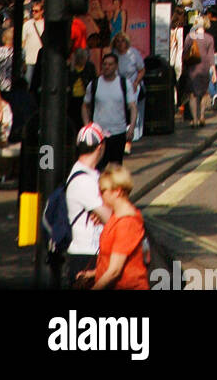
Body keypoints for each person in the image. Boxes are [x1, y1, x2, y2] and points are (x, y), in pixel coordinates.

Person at [61, 124, 111, 288]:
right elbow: (112, 218)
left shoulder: (93, 175)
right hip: (86, 256)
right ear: (99, 147)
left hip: (95, 253)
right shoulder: (84, 181)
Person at [87, 164, 150, 290]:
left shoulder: (127, 223)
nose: (100, 195)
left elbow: (114, 271)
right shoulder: (116, 216)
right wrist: (94, 273)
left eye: (103, 191)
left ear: (117, 191)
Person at [82, 50, 136, 165]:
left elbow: (132, 107)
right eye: (105, 64)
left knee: (116, 167)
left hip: (118, 133)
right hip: (99, 134)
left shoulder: (124, 83)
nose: (107, 67)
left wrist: (131, 128)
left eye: (110, 64)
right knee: (99, 166)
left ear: (116, 66)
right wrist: (87, 126)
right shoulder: (94, 84)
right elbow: (85, 106)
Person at [111, 34, 146, 142]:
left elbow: (142, 70)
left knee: (133, 108)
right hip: (120, 86)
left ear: (126, 42)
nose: (120, 43)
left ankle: (134, 134)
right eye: (118, 41)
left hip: (133, 84)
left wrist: (136, 82)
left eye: (122, 41)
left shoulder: (133, 53)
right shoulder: (114, 55)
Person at [183, 15, 214, 127]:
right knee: (204, 93)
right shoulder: (209, 38)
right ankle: (202, 116)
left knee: (192, 95)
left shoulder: (190, 37)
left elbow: (185, 51)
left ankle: (194, 119)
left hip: (193, 68)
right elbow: (211, 55)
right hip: (205, 68)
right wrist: (214, 71)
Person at [21, 0, 44, 80]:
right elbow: (23, 42)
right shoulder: (27, 24)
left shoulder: (45, 24)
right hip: (29, 60)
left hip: (41, 60)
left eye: (36, 11)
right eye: (32, 11)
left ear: (42, 11)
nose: (34, 13)